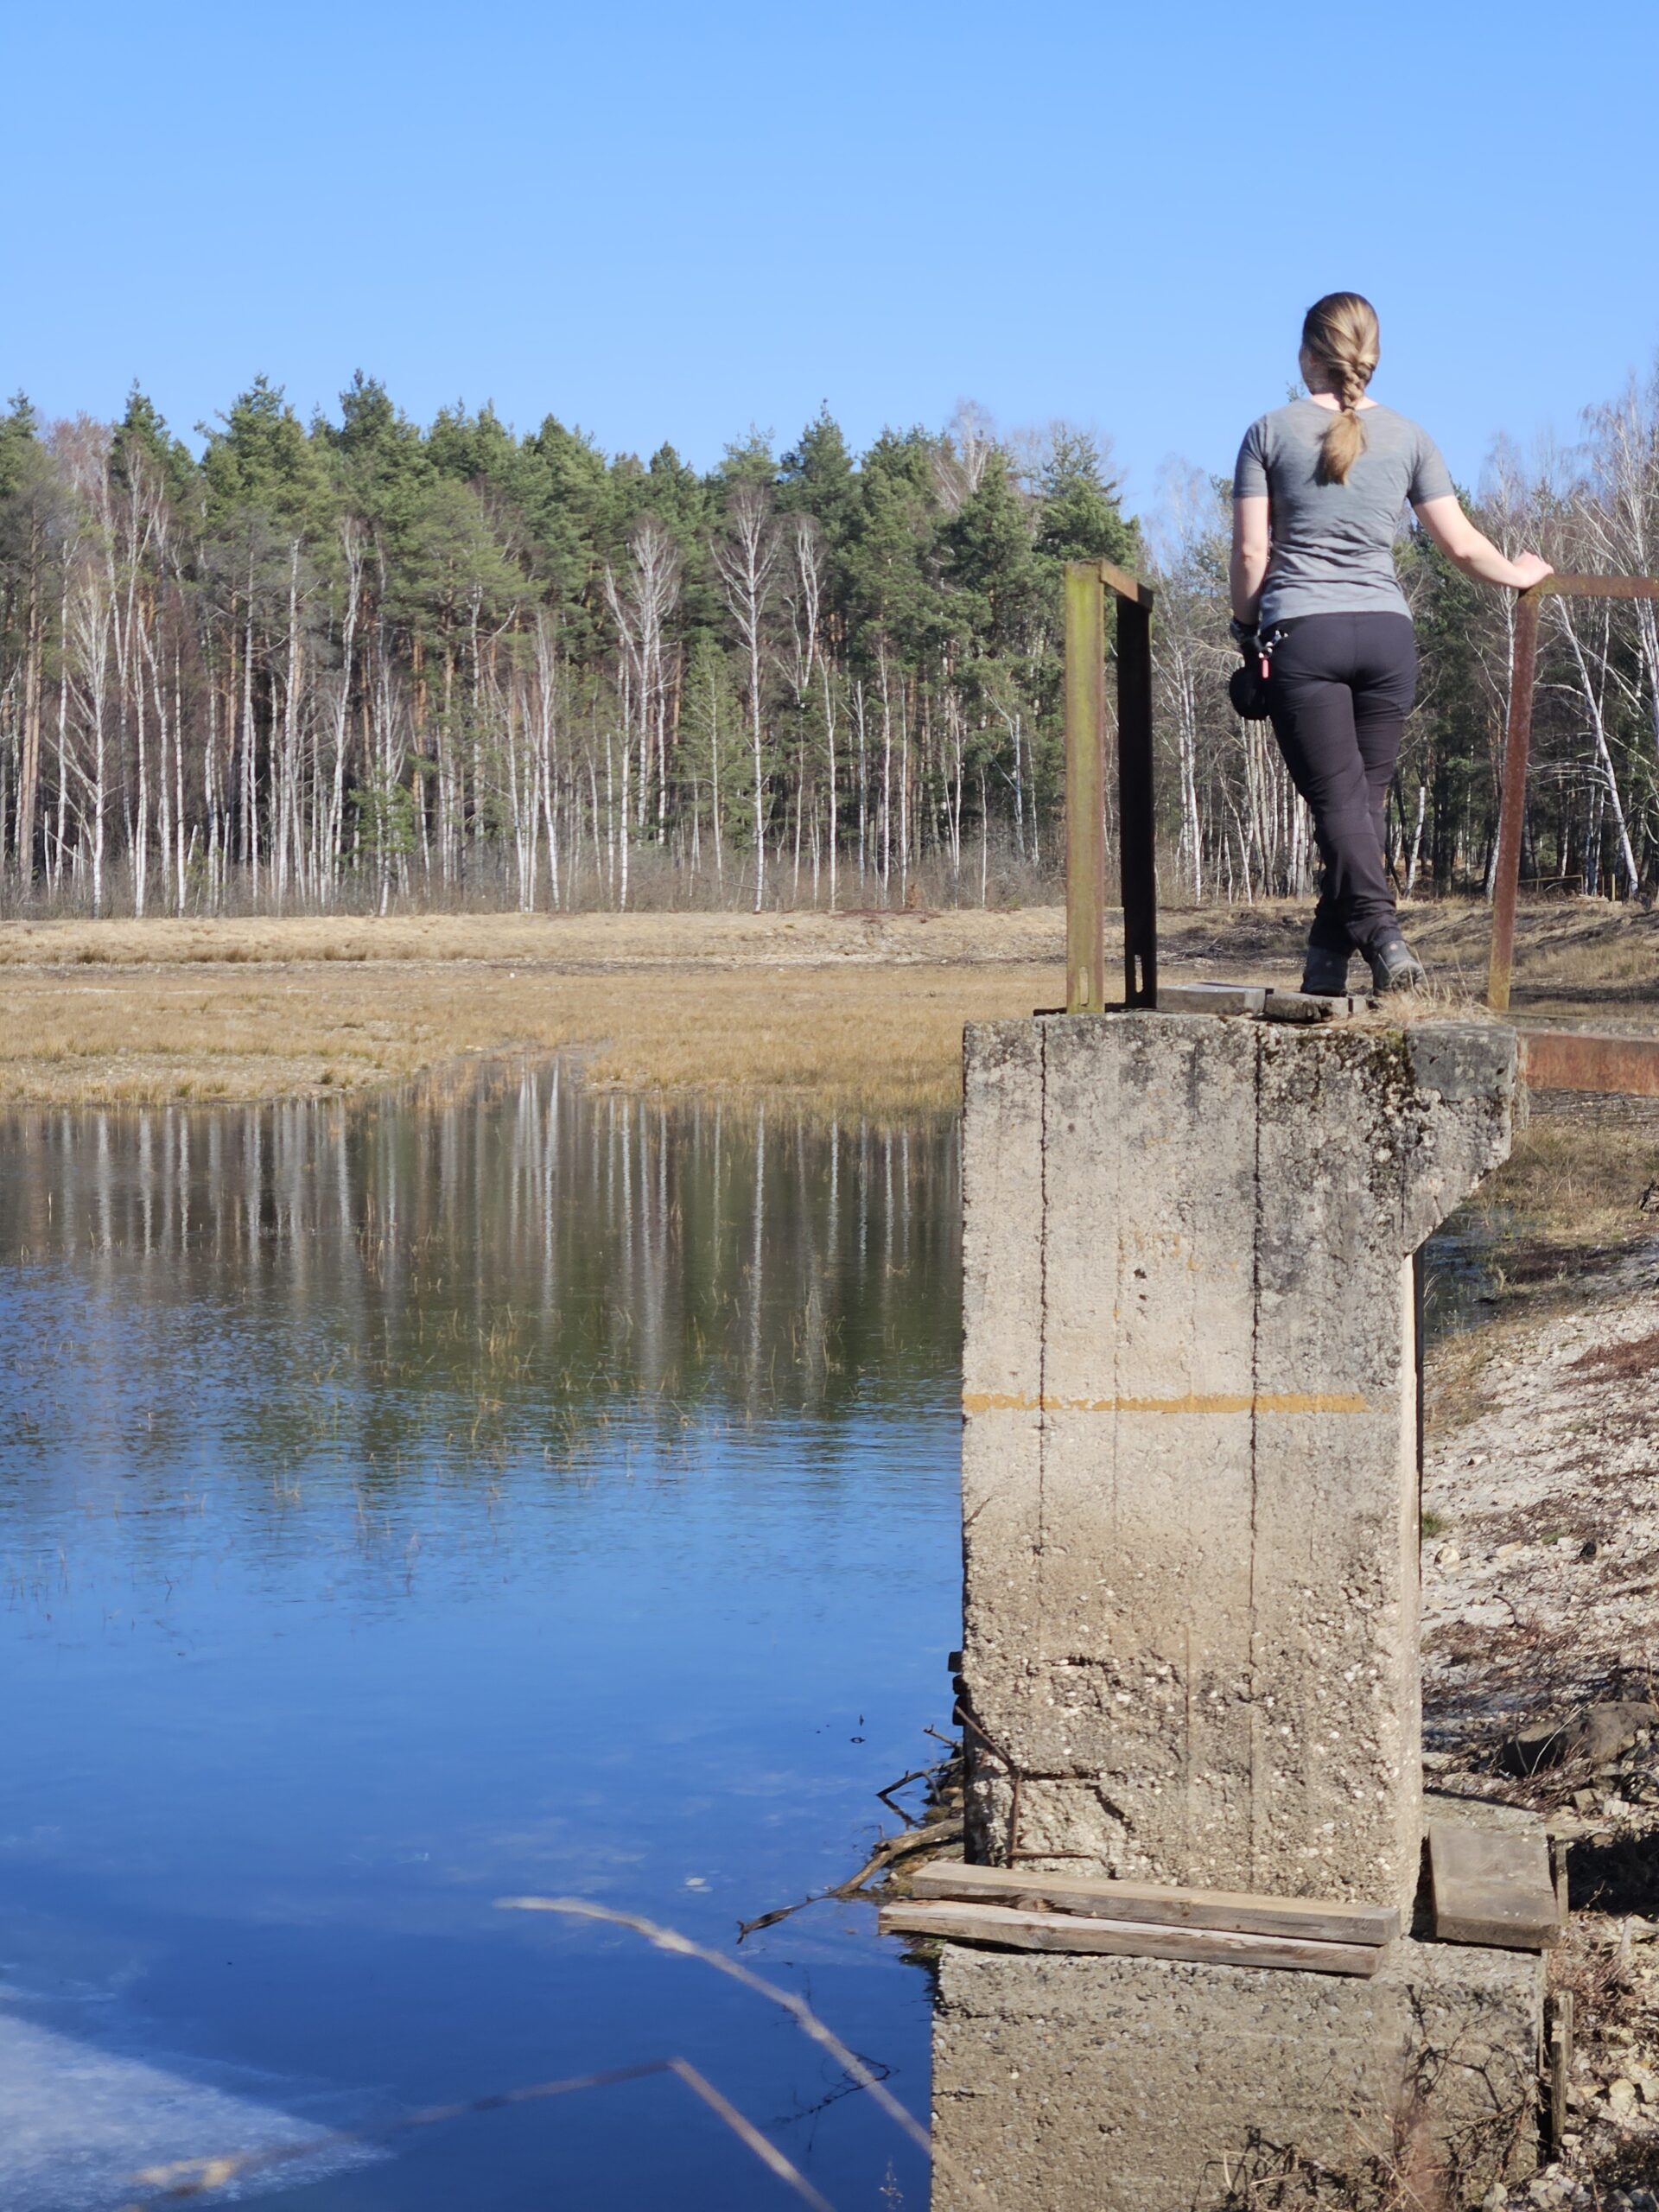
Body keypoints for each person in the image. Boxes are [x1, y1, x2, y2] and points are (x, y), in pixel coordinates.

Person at [1230, 292, 1552, 995]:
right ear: (1370, 356)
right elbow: (1463, 545)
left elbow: (1254, 556)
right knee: (1359, 805)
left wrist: (1244, 627)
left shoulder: (1267, 431)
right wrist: (1520, 574)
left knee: (1342, 805)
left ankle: (1382, 935)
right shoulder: (1410, 437)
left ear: (1307, 354)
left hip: (1303, 637)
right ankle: (1325, 958)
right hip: (1386, 637)